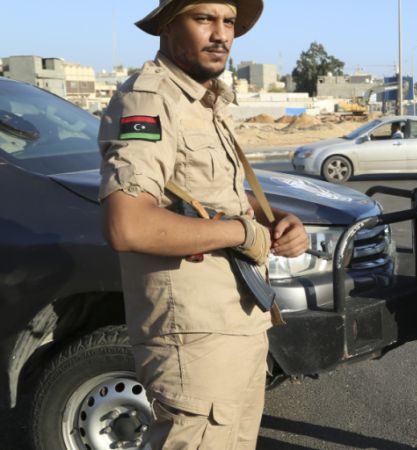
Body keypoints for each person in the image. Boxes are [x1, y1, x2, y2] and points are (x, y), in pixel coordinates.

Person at [98, 1, 308, 448]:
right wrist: (243, 233)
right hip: (193, 340)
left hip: (236, 324)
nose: (222, 35)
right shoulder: (150, 99)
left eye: (228, 21)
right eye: (203, 18)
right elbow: (128, 224)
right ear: (168, 26)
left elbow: (213, 195)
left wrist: (274, 220)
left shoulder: (203, 101)